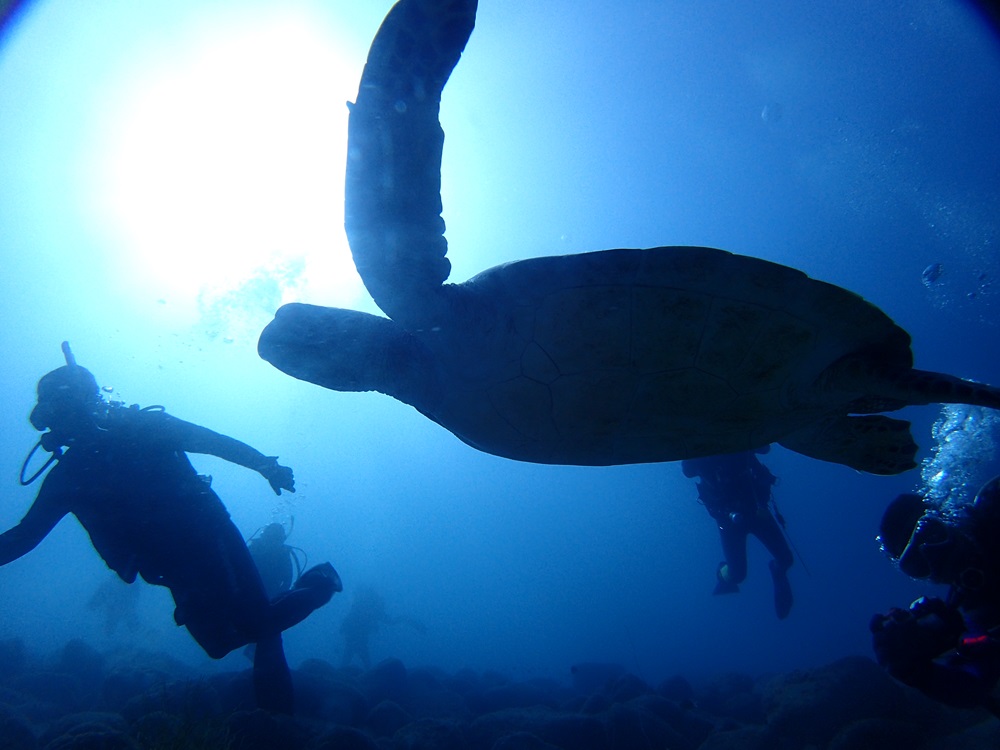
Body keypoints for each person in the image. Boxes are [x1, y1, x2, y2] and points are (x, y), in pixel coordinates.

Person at [1, 343, 341, 714]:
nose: (56, 426)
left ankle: (320, 586)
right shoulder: (68, 476)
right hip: (167, 564)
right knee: (218, 644)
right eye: (48, 418)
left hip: (209, 538)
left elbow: (212, 442)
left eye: (57, 412)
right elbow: (26, 536)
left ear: (82, 403)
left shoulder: (144, 428)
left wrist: (265, 465)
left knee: (259, 625)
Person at [871, 477, 1000, 714]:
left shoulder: (994, 506)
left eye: (933, 536)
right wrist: (916, 672)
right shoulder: (973, 610)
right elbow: (977, 686)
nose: (935, 559)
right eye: (917, 563)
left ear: (946, 517)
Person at [681, 447, 794, 619]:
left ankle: (777, 570)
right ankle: (722, 573)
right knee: (738, 574)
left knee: (786, 558)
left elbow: (765, 448)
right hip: (728, 519)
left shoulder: (737, 432)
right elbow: (688, 471)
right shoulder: (700, 445)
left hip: (756, 509)